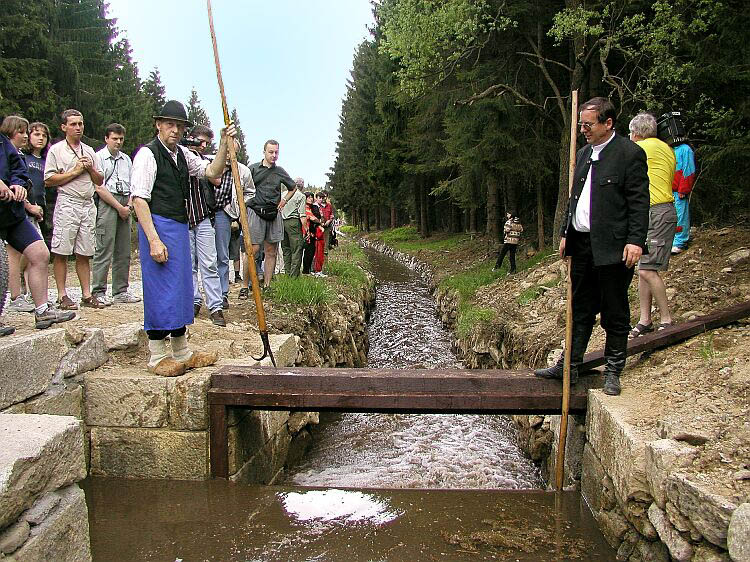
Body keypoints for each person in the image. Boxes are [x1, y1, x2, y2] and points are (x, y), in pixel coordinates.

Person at [535, 97, 649, 396]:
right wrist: (564, 233)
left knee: (614, 309)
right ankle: (568, 365)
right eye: (581, 124)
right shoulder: (583, 154)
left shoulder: (629, 154)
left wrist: (636, 241)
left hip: (613, 246)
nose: (583, 129)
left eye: (589, 124)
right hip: (582, 243)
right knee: (579, 307)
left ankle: (613, 369)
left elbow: (639, 202)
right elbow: (574, 200)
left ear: (608, 123)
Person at [130, 100, 235, 376]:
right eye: (170, 125)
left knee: (180, 289)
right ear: (158, 125)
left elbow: (211, 172)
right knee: (159, 288)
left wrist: (224, 143)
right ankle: (156, 355)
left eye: (179, 126)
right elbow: (139, 200)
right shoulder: (147, 155)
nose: (175, 130)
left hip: (179, 225)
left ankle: (181, 350)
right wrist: (153, 239)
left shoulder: (182, 155)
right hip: (157, 225)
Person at [0, 131, 75, 335]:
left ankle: (42, 311)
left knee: (40, 254)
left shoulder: (3, 142)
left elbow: (18, 168)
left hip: (11, 213)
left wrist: (17, 183)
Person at [44, 109, 105, 310]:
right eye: (73, 124)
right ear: (64, 127)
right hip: (67, 202)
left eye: (80, 123)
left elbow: (99, 180)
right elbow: (49, 179)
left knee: (85, 252)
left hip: (87, 204)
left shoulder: (89, 151)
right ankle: (62, 295)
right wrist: (75, 171)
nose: (78, 127)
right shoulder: (56, 150)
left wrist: (89, 168)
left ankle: (86, 294)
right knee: (61, 250)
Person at [628, 112, 677, 337]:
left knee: (648, 269)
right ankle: (644, 319)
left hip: (657, 211)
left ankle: (666, 318)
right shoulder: (664, 148)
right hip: (654, 211)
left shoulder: (644, 148)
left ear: (636, 133)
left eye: (630, 133)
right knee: (643, 269)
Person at [92, 123, 140, 305]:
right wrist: (118, 207)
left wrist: (127, 205)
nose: (118, 142)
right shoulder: (99, 158)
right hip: (107, 203)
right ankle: (98, 290)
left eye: (121, 139)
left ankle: (120, 290)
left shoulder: (126, 159)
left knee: (123, 250)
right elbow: (99, 186)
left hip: (125, 202)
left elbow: (132, 184)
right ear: (106, 139)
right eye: (115, 139)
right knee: (104, 248)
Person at [185, 125, 225, 326]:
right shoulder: (179, 157)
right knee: (189, 264)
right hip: (183, 218)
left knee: (209, 263)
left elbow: (216, 179)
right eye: (200, 141)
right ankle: (193, 301)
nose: (202, 145)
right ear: (190, 138)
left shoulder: (206, 162)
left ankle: (216, 306)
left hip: (203, 216)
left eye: (207, 143)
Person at [245, 140, 297, 289]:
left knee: (271, 251)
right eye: (271, 152)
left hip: (273, 213)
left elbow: (292, 187)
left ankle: (267, 285)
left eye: (276, 152)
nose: (274, 155)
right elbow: (241, 188)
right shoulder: (253, 169)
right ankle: (245, 285)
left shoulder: (279, 171)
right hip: (255, 212)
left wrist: (284, 200)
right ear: (264, 152)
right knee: (252, 250)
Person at [1, 116, 38, 313]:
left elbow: (20, 180)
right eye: (21, 132)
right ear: (10, 132)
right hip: (8, 214)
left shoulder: (18, 154)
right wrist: (29, 207)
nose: (25, 136)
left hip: (15, 214)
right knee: (12, 256)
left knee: (37, 254)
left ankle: (37, 305)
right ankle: (15, 297)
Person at [214, 138, 254, 304]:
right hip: (211, 211)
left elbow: (251, 192)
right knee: (213, 255)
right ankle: (211, 293)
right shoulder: (212, 164)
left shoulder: (243, 171)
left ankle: (222, 294)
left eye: (233, 152)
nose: (230, 155)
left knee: (226, 254)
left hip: (230, 213)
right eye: (227, 151)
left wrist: (239, 205)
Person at [671, 142, 696, 254]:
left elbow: (688, 169)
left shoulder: (685, 149)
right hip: (669, 189)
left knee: (680, 215)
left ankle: (679, 242)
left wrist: (684, 188)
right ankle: (671, 240)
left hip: (679, 190)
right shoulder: (669, 149)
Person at [280, 177, 307, 277]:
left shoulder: (283, 194)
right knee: (296, 249)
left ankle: (287, 273)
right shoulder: (301, 196)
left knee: (286, 249)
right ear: (302, 186)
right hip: (294, 223)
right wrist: (306, 229)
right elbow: (302, 215)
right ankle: (294, 276)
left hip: (282, 222)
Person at [301, 191, 321, 275]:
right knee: (303, 251)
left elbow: (318, 218)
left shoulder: (313, 207)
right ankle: (304, 271)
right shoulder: (303, 207)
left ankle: (307, 270)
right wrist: (316, 220)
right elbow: (313, 218)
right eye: (309, 197)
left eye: (312, 197)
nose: (311, 199)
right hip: (304, 231)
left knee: (310, 251)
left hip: (312, 232)